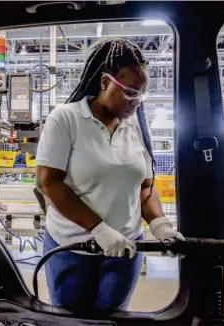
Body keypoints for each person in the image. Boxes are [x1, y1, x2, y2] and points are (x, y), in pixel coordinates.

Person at [35, 38, 184, 315]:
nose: (137, 102)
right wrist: (99, 229)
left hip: (125, 250)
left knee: (113, 318)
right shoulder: (66, 119)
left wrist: (160, 225)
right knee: (72, 319)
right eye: (130, 92)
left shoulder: (135, 127)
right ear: (105, 83)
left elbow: (145, 186)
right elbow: (49, 183)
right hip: (72, 248)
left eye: (141, 94)